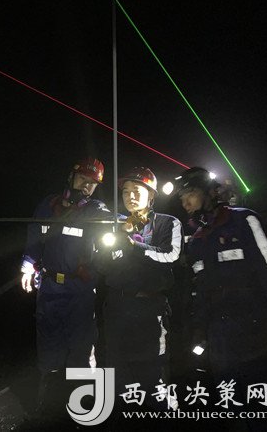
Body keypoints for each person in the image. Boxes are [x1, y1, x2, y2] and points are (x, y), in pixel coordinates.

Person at [176, 167, 267, 423]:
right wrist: (200, 330)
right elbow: (199, 288)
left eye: (190, 192)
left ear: (211, 192)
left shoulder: (243, 220)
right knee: (232, 408)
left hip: (257, 329)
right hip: (220, 337)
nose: (185, 201)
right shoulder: (197, 239)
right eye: (182, 196)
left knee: (264, 405)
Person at [20, 157, 110, 414]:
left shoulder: (93, 209)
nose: (87, 186)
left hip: (79, 289)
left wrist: (128, 222)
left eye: (92, 183)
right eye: (83, 179)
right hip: (49, 287)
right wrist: (27, 265)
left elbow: (110, 217)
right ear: (71, 177)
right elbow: (34, 239)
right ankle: (49, 397)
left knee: (81, 344)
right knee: (49, 341)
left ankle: (87, 402)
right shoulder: (48, 205)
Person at [98, 167, 183, 412]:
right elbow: (101, 266)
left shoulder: (168, 223)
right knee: (118, 367)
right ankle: (122, 416)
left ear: (152, 195)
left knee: (154, 368)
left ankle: (160, 416)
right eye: (126, 192)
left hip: (150, 308)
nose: (130, 196)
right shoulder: (115, 225)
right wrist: (111, 244)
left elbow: (171, 255)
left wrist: (134, 247)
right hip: (118, 307)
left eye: (137, 190)